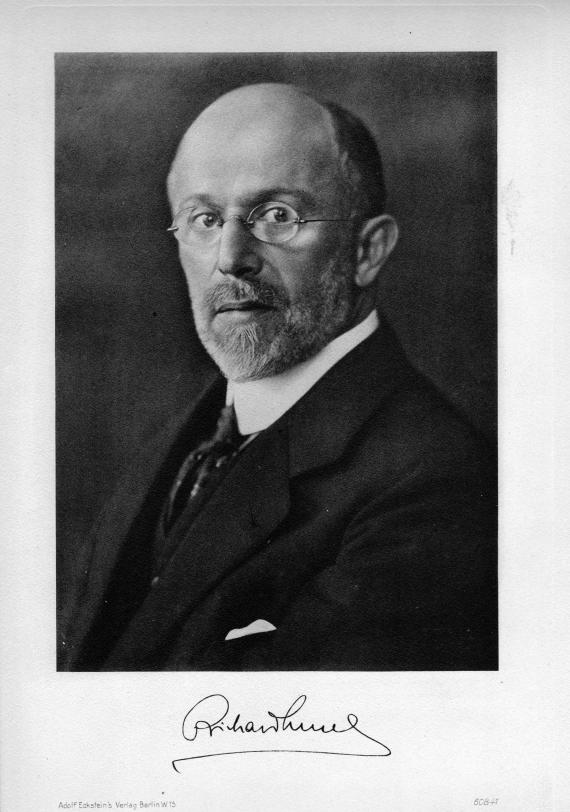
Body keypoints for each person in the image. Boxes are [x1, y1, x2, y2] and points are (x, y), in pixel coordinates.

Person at [60, 83, 497, 671]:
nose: (230, 256)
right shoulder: (179, 445)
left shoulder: (434, 484)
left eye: (276, 215)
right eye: (205, 219)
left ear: (367, 251)